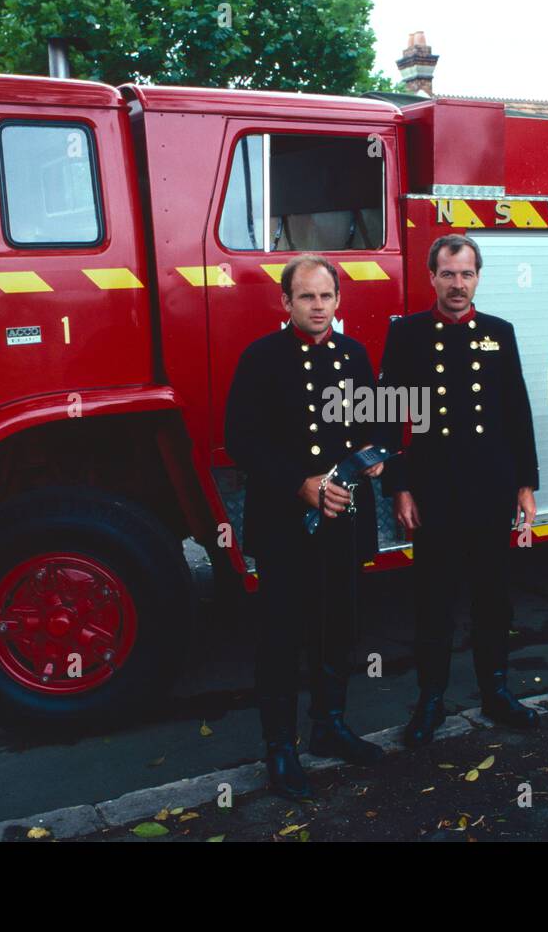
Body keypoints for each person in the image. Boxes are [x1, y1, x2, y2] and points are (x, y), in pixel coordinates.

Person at [224, 254, 386, 800]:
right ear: (286, 302)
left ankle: (329, 726)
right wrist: (300, 482)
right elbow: (241, 439)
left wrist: (375, 454)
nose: (318, 306)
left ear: (339, 301)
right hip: (284, 522)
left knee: (336, 625)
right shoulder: (262, 358)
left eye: (326, 296)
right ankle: (280, 747)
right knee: (281, 634)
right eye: (306, 297)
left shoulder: (355, 355)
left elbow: (373, 422)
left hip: (342, 517)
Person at [377, 233, 541, 748]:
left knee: (493, 597)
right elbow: (386, 421)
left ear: (478, 277)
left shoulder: (499, 332)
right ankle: (431, 700)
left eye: (466, 273)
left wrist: (526, 484)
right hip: (435, 490)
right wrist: (399, 489)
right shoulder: (406, 335)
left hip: (491, 487)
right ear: (432, 277)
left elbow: (517, 411)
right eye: (447, 273)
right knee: (435, 599)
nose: (457, 283)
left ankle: (496, 691)